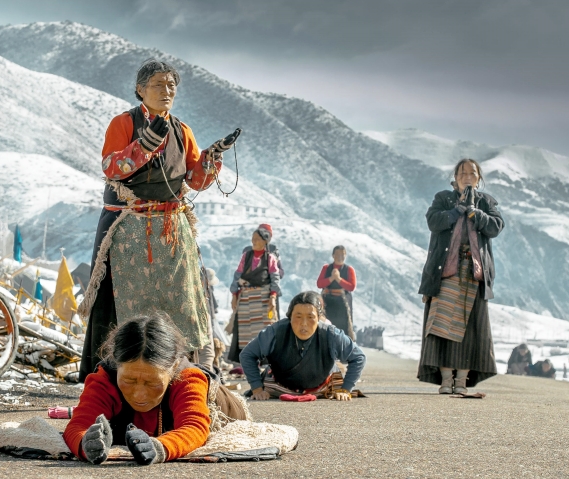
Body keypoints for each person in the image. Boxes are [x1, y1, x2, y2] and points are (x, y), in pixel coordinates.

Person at [77, 59, 239, 380]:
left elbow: (195, 180)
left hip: (171, 231)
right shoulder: (123, 124)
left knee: (177, 301)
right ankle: (112, 374)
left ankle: (179, 371)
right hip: (130, 230)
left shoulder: (183, 130)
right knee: (125, 303)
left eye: (171, 86)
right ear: (140, 90)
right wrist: (145, 146)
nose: (166, 91)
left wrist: (212, 157)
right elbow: (111, 167)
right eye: (158, 85)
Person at [64, 313, 248, 465]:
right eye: (129, 380)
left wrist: (160, 448)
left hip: (225, 408)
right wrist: (85, 443)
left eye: (152, 383)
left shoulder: (187, 378)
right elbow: (78, 426)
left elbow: (194, 427)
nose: (139, 395)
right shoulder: (104, 379)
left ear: (174, 367)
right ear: (116, 364)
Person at [417, 158, 505, 394]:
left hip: (474, 273)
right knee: (442, 324)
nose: (467, 177)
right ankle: (446, 380)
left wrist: (477, 215)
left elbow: (496, 226)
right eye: (463, 173)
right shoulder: (443, 198)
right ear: (455, 177)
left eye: (472, 173)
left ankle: (462, 381)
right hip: (445, 272)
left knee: (469, 329)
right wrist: (456, 211)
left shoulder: (486, 202)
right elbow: (433, 222)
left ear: (479, 178)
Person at [240, 291, 366, 400]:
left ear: (318, 318)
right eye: (298, 317)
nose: (304, 323)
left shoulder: (331, 335)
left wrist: (346, 389)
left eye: (310, 317)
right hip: (279, 386)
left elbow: (358, 357)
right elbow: (247, 355)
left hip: (322, 387)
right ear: (290, 317)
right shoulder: (274, 332)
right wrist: (257, 388)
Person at [226, 224, 282, 362]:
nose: (253, 241)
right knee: (246, 330)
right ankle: (249, 359)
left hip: (263, 298)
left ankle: (266, 360)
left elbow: (275, 279)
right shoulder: (246, 256)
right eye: (253, 238)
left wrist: (273, 298)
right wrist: (234, 295)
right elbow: (237, 275)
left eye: (257, 239)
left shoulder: (270, 258)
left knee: (264, 329)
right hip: (246, 298)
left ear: (265, 241)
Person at [316, 245, 357, 338]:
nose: (340, 257)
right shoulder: (326, 268)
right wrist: (331, 278)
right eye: (338, 254)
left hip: (342, 303)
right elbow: (319, 284)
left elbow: (351, 287)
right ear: (333, 255)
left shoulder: (349, 270)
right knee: (325, 326)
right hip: (327, 302)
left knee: (343, 328)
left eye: (342, 255)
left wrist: (338, 279)